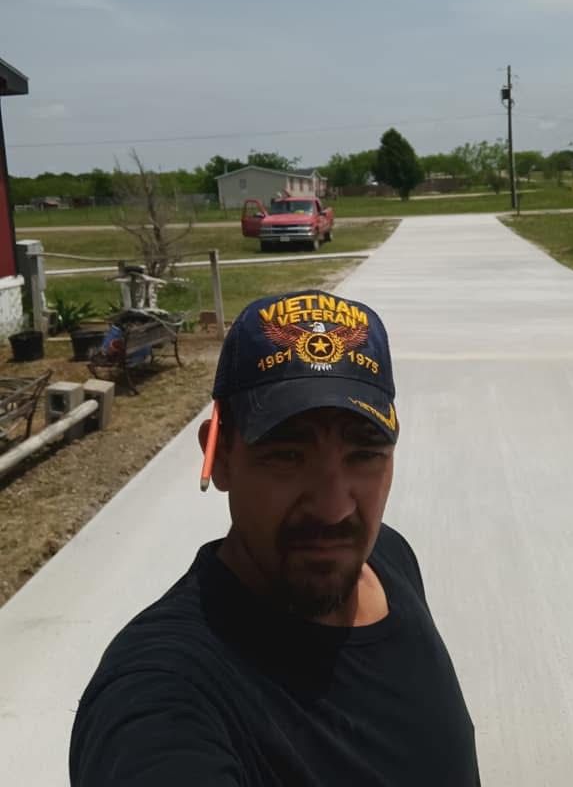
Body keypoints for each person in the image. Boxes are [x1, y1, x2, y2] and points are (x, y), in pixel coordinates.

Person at [70, 288, 481, 785]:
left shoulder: (389, 558)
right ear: (219, 456)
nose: (334, 509)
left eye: (364, 454)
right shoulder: (163, 689)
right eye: (287, 456)